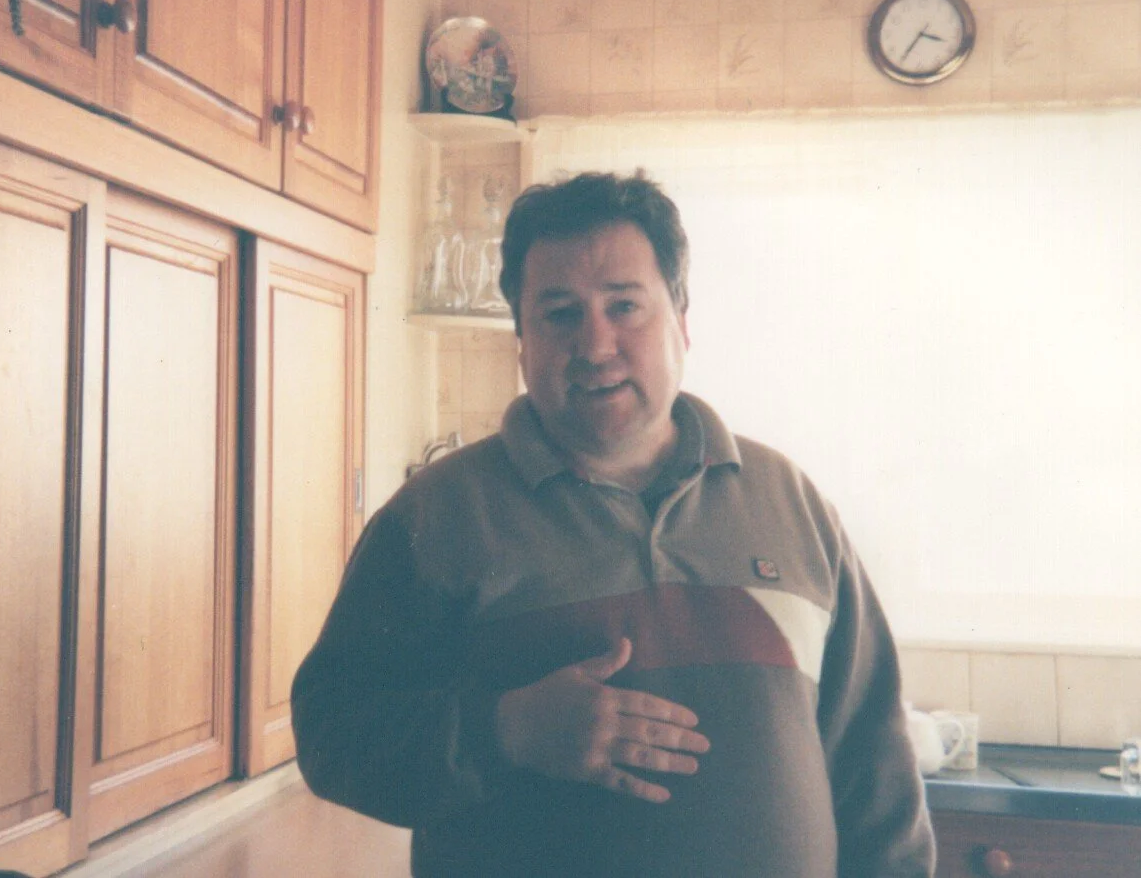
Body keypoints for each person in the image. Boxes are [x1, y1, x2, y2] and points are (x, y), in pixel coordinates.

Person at [290, 170, 934, 877]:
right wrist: (502, 730)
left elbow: (874, 765)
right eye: (559, 313)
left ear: (681, 317)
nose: (594, 345)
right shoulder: (434, 517)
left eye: (624, 306)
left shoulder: (790, 502)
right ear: (521, 338)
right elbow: (332, 735)